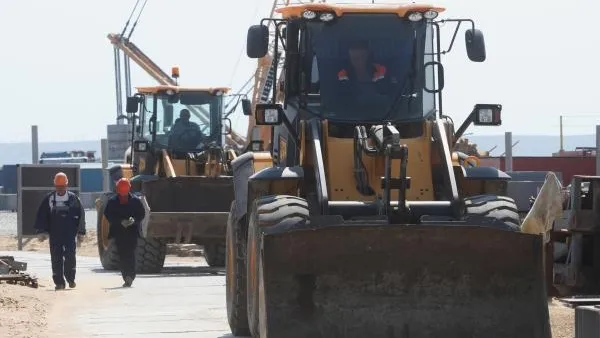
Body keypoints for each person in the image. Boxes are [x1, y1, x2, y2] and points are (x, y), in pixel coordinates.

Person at [34, 172, 86, 290]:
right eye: (58, 186)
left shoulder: (74, 199)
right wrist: (41, 231)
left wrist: (81, 232)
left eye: (62, 186)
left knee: (70, 256)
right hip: (55, 234)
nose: (60, 189)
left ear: (67, 185)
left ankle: (70, 279)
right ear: (55, 186)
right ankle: (59, 283)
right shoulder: (49, 199)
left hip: (69, 233)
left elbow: (81, 215)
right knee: (56, 258)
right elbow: (42, 215)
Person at [103, 178, 146, 287]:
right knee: (122, 255)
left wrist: (134, 221)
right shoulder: (112, 202)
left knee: (130, 254)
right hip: (119, 232)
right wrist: (120, 222)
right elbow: (108, 215)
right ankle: (126, 276)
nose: (123, 195)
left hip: (132, 232)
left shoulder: (135, 201)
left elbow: (141, 214)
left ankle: (130, 276)